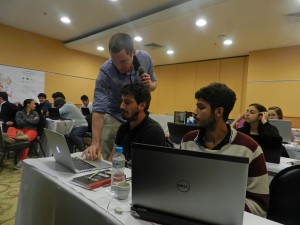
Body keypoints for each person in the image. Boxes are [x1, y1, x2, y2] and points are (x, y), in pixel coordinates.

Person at [180, 83, 269, 217]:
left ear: (219, 112)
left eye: (201, 107)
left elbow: (260, 206)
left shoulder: (250, 148)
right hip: (187, 212)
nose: (195, 112)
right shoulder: (188, 141)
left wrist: (215, 206)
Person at [84, 33, 158, 160]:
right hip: (115, 114)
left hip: (137, 116)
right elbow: (98, 109)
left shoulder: (145, 58)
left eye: (123, 61)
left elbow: (154, 85)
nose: (119, 67)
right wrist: (96, 142)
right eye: (115, 62)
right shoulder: (105, 71)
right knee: (106, 149)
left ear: (133, 52)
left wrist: (150, 84)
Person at [105, 83, 166, 165]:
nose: (121, 106)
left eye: (127, 102)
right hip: (123, 175)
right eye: (121, 101)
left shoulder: (153, 131)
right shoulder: (123, 128)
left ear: (142, 105)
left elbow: (146, 170)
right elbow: (112, 159)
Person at [6, 99, 39, 169]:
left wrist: (24, 119)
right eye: (33, 103)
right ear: (28, 104)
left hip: (32, 130)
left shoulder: (35, 113)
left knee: (25, 142)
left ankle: (11, 138)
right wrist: (30, 120)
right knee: (11, 128)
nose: (35, 105)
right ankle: (12, 137)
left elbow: (36, 122)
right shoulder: (19, 113)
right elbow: (19, 123)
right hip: (20, 131)